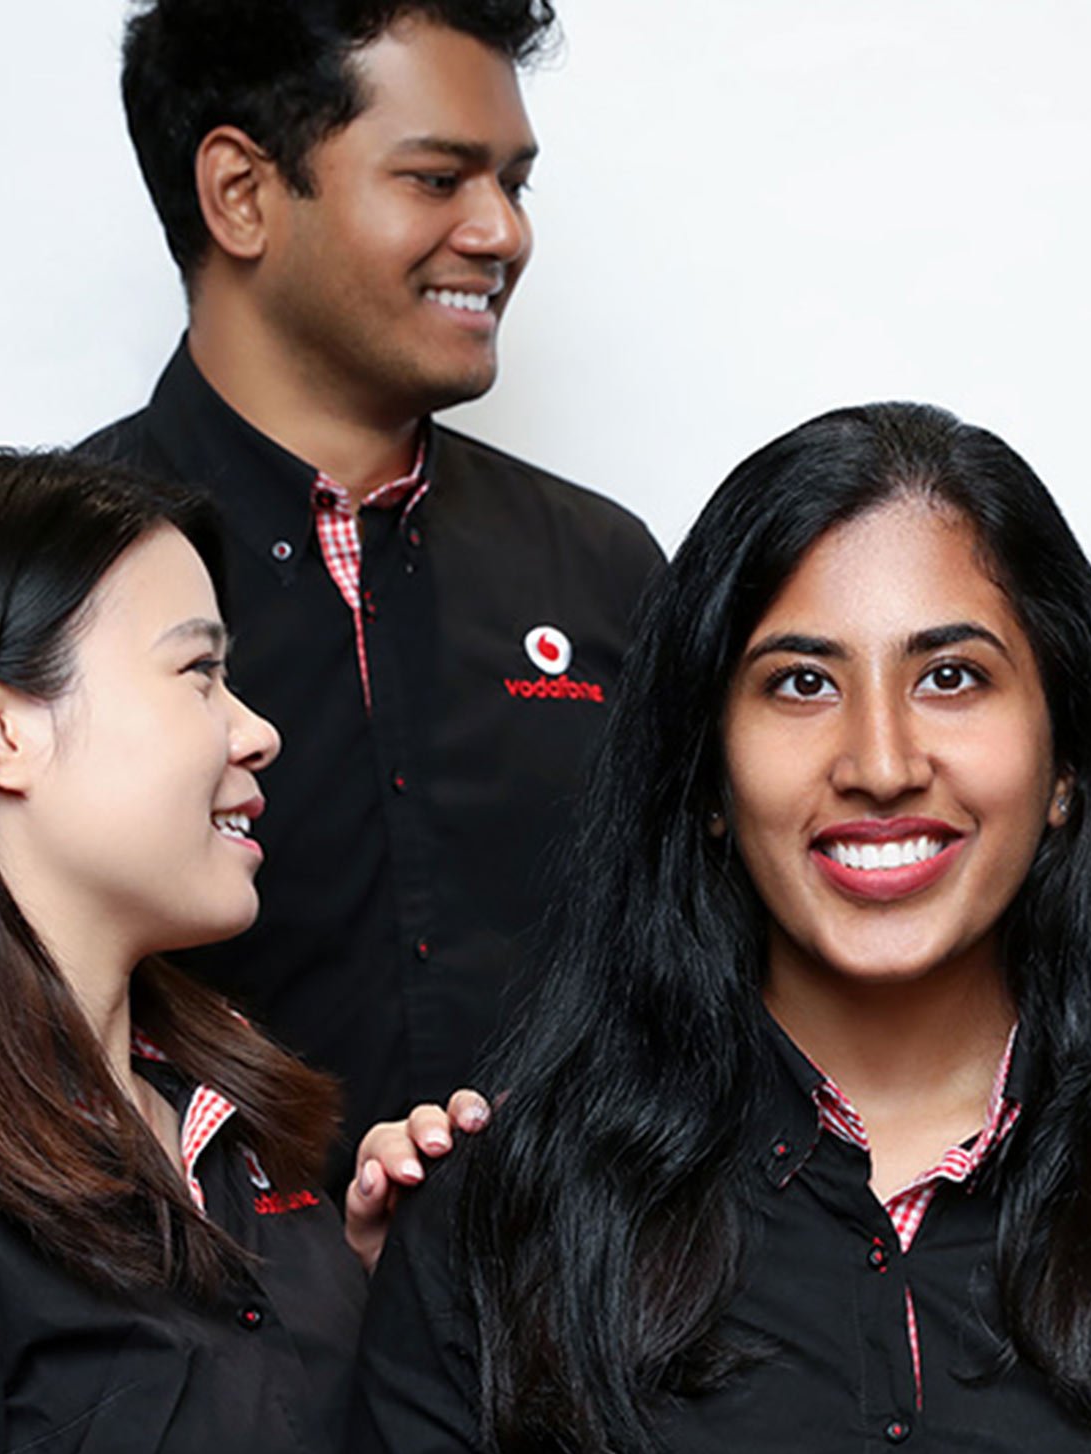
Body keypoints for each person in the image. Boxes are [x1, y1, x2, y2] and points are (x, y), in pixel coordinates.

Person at [335, 402, 1091, 1454]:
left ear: (1065, 761)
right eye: (800, 682)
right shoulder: (507, 1216)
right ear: (705, 772)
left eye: (953, 675)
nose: (880, 762)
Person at [0, 447, 422, 1454]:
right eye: (198, 672)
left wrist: (375, 1294)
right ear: (0, 728)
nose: (258, 728)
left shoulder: (234, 1140)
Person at [81, 0, 662, 1169]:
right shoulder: (53, 575)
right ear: (242, 192)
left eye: (514, 183)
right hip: (193, 1323)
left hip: (575, 1330)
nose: (499, 232)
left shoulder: (602, 567)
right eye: (439, 178)